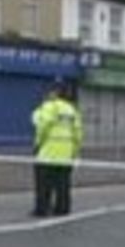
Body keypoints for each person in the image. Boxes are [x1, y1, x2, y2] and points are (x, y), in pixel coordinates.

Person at [31, 82, 83, 217]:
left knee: (43, 184)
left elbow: (43, 126)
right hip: (66, 154)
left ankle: (42, 209)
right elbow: (78, 133)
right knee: (63, 184)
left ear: (55, 93)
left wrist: (37, 143)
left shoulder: (50, 106)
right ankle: (62, 208)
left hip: (48, 152)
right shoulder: (72, 110)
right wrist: (75, 152)